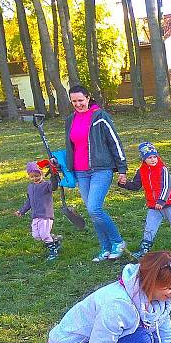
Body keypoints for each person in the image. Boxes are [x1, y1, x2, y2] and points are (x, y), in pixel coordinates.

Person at [65, 84, 128, 262]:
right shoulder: (70, 120)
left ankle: (117, 242)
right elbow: (71, 146)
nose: (78, 104)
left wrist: (121, 169)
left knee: (94, 208)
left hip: (101, 169)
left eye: (80, 100)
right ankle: (105, 248)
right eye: (74, 101)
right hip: (80, 171)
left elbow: (114, 141)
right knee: (92, 211)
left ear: (87, 98)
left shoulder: (99, 116)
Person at [118, 142, 171, 259]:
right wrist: (124, 184)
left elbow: (167, 186)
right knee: (149, 227)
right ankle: (144, 250)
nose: (153, 160)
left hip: (167, 204)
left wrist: (162, 201)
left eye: (154, 157)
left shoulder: (163, 169)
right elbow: (136, 186)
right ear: (143, 159)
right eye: (149, 157)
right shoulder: (141, 171)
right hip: (152, 205)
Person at [15, 161, 62, 261]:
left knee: (44, 235)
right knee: (36, 236)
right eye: (32, 177)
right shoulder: (30, 187)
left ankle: (53, 251)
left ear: (41, 174)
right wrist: (22, 211)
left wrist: (53, 174)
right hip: (35, 216)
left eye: (37, 175)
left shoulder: (46, 185)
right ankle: (55, 239)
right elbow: (29, 201)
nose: (34, 178)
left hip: (45, 215)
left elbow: (54, 187)